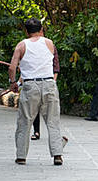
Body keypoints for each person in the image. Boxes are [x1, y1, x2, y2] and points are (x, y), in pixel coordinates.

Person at [8, 18, 64, 166]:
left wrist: (13, 83)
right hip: (49, 84)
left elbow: (12, 68)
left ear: (26, 31)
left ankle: (21, 156)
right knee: (53, 122)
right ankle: (57, 155)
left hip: (30, 86)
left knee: (25, 122)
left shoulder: (21, 45)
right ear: (41, 29)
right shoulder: (49, 43)